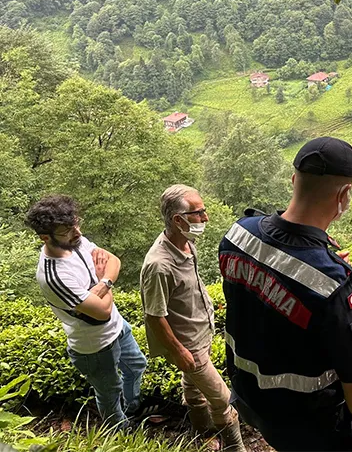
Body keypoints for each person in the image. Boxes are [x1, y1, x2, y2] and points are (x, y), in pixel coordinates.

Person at [219, 137, 352, 451]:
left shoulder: (237, 234)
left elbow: (261, 287)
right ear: (345, 195)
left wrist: (314, 268)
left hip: (250, 400)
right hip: (310, 426)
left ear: (294, 180)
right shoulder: (332, 284)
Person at [26, 195, 147, 428]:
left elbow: (113, 261)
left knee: (137, 365)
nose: (77, 232)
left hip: (117, 326)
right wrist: (106, 280)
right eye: (67, 230)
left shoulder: (75, 241)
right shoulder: (54, 275)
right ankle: (119, 429)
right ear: (45, 237)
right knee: (110, 391)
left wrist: (102, 285)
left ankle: (134, 407)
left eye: (76, 224)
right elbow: (101, 311)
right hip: (93, 346)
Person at [140, 185, 244, 451]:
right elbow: (154, 315)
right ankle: (235, 447)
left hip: (202, 332)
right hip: (188, 345)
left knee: (194, 388)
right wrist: (178, 351)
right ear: (178, 219)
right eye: (199, 213)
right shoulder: (159, 265)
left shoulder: (187, 244)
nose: (206, 218)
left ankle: (203, 433)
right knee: (222, 399)